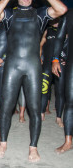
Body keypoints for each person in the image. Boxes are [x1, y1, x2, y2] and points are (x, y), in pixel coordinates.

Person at [0, 0, 67, 162]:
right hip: (12, 66)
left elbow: (62, 9)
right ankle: (3, 143)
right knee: (7, 107)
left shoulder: (40, 14)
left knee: (34, 109)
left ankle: (33, 147)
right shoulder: (9, 14)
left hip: (33, 66)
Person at [52, 9, 73, 154]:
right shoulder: (70, 14)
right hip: (71, 64)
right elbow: (59, 37)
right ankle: (68, 141)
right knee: (70, 101)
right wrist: (55, 59)